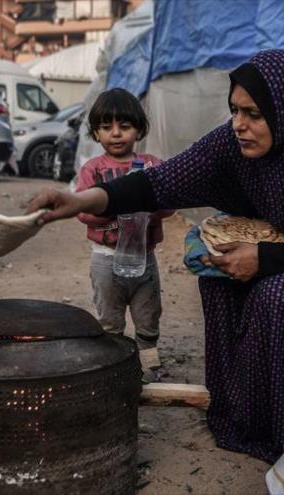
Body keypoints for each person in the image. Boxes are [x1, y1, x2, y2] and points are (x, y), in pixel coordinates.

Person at [27, 49, 284, 463]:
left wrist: (264, 259)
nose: (239, 125)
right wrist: (80, 200)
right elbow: (161, 181)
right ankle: (245, 416)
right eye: (234, 110)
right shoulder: (232, 145)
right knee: (219, 279)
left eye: (253, 113)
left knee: (280, 295)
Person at [74, 88, 172, 375]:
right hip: (106, 259)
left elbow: (171, 201)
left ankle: (148, 368)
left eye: (124, 126)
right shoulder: (93, 170)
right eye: (106, 127)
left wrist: (148, 209)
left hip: (144, 258)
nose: (116, 134)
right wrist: (114, 206)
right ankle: (114, 371)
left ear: (139, 130)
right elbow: (81, 211)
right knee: (110, 320)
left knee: (148, 316)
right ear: (96, 133)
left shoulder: (152, 167)